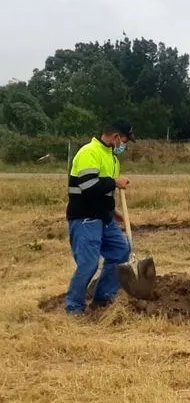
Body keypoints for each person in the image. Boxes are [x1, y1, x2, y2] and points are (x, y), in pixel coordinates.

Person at [64, 120, 134, 314]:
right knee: (88, 264)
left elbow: (103, 194)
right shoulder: (89, 153)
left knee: (121, 250)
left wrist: (114, 212)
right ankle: (73, 307)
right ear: (115, 137)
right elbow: (89, 187)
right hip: (85, 218)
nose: (124, 145)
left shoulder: (112, 159)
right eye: (124, 141)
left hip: (104, 218)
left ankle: (103, 297)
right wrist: (115, 182)